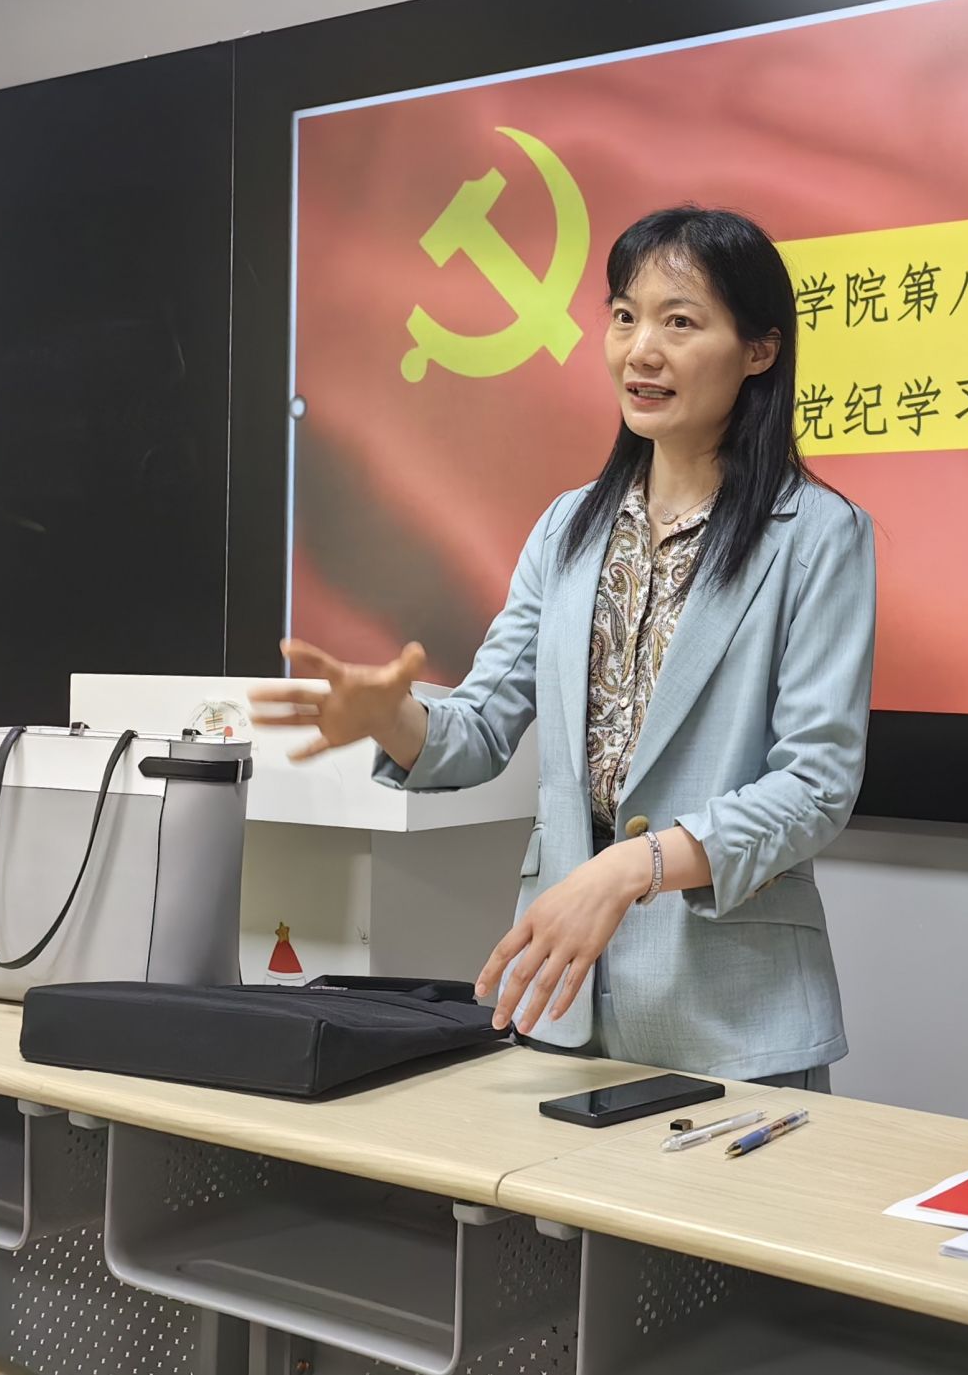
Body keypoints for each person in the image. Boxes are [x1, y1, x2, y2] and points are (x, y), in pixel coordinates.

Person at [249, 207, 875, 1089]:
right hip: (565, 1003)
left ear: (760, 351)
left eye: (680, 321)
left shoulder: (817, 534)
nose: (641, 350)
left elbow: (815, 786)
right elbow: (479, 729)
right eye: (625, 316)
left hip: (735, 1016)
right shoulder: (567, 528)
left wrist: (631, 866)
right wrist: (392, 718)